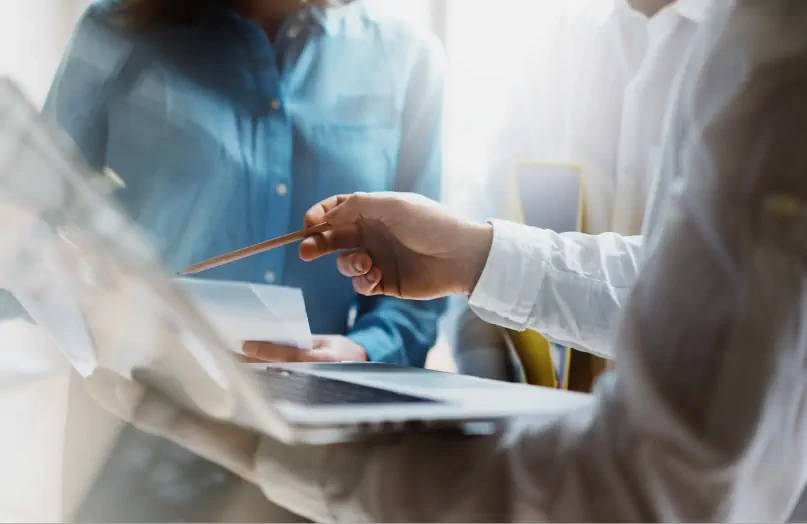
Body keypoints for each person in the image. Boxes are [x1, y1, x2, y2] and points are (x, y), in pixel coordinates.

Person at [247, 1, 807, 520]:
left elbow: (656, 485)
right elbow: (680, 290)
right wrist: (475, 254)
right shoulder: (557, 54)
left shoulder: (774, 42)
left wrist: (267, 453)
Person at [42, 0, 445, 367]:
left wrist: (365, 351)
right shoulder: (115, 30)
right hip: (135, 404)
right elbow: (27, 219)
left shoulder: (406, 58)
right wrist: (85, 301)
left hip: (322, 421)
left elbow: (418, 275)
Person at [454, 0, 709, 382]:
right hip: (556, 413)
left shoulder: (760, 50)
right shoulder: (554, 46)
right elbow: (495, 209)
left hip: (697, 419)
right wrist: (485, 376)